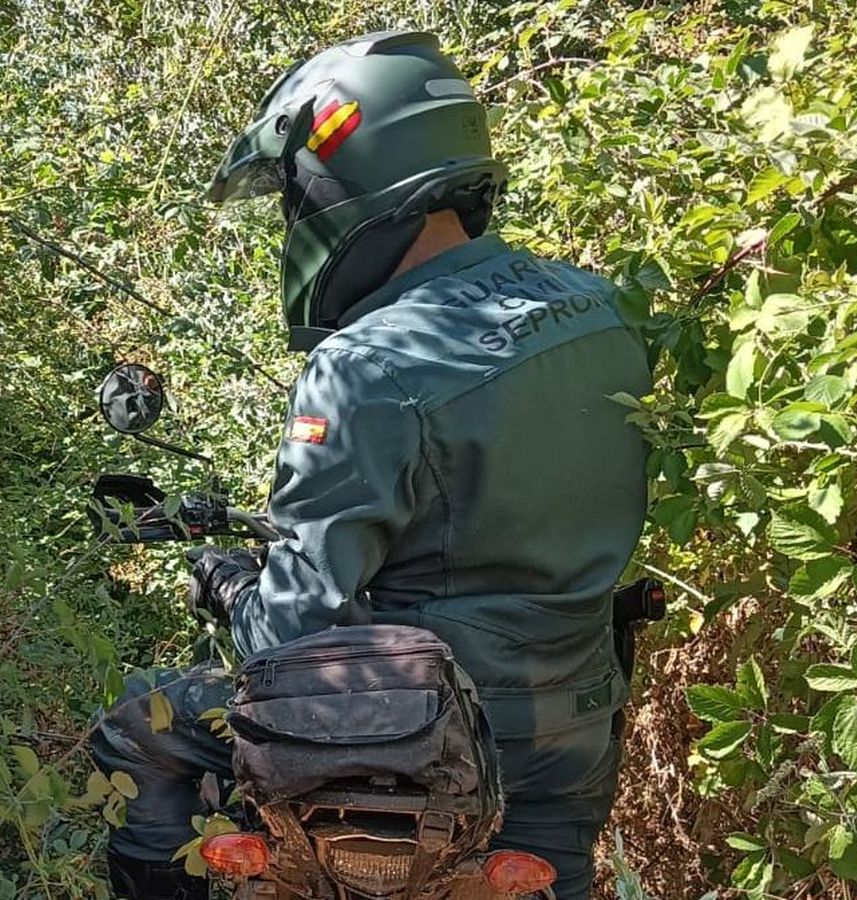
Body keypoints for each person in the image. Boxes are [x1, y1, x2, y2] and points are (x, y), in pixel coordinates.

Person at [91, 30, 649, 899]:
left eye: (292, 195)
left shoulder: (368, 364)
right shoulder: (596, 306)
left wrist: (233, 587)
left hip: (426, 741)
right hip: (574, 722)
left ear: (336, 183)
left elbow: (295, 626)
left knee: (139, 724)